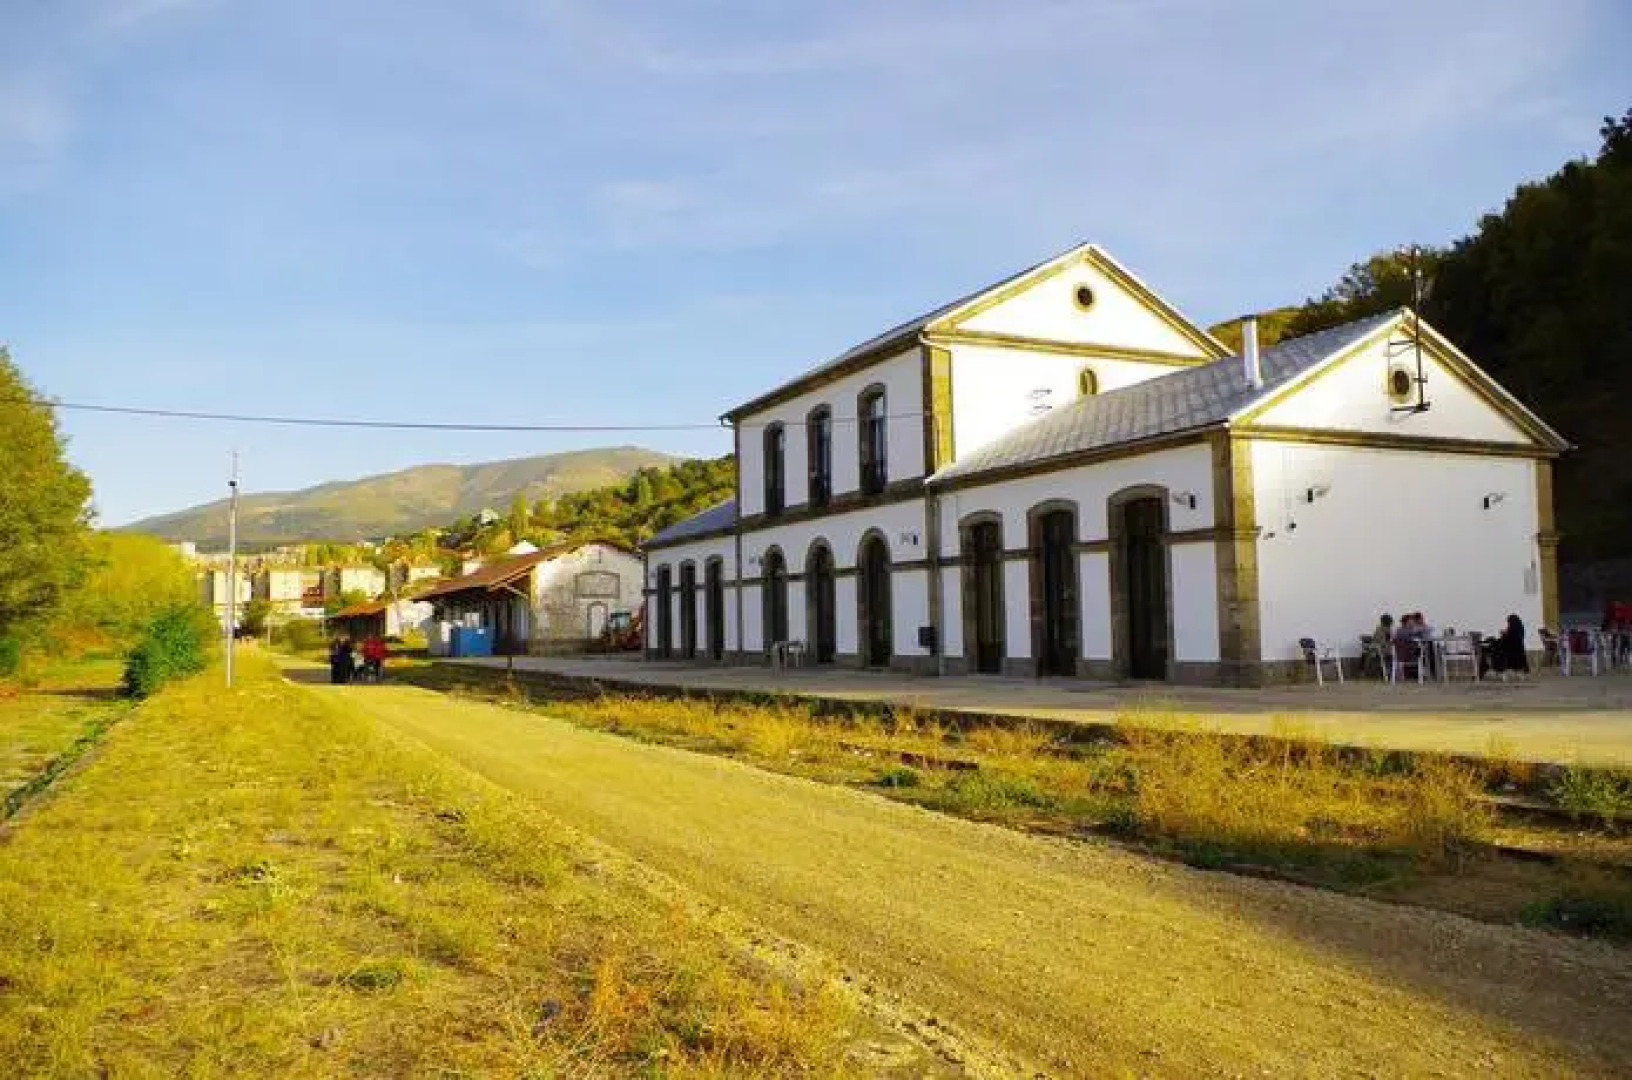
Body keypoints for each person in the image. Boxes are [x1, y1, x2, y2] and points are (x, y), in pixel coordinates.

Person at [1487, 613, 1529, 679]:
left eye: (1508, 622)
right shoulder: (1520, 630)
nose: (1508, 623)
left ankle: (1499, 670)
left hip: (1507, 651)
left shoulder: (1511, 630)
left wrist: (1503, 634)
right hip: (1518, 652)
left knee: (1494, 651)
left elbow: (1505, 641)